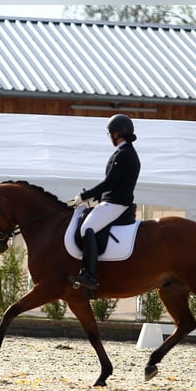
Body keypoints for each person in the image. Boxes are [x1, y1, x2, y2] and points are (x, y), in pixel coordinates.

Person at [71, 114, 141, 291]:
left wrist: (85, 195)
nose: (109, 137)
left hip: (117, 203)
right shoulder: (124, 152)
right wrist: (98, 197)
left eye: (110, 133)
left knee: (87, 228)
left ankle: (90, 274)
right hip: (113, 200)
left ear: (117, 134)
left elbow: (109, 183)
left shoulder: (124, 154)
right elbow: (114, 184)